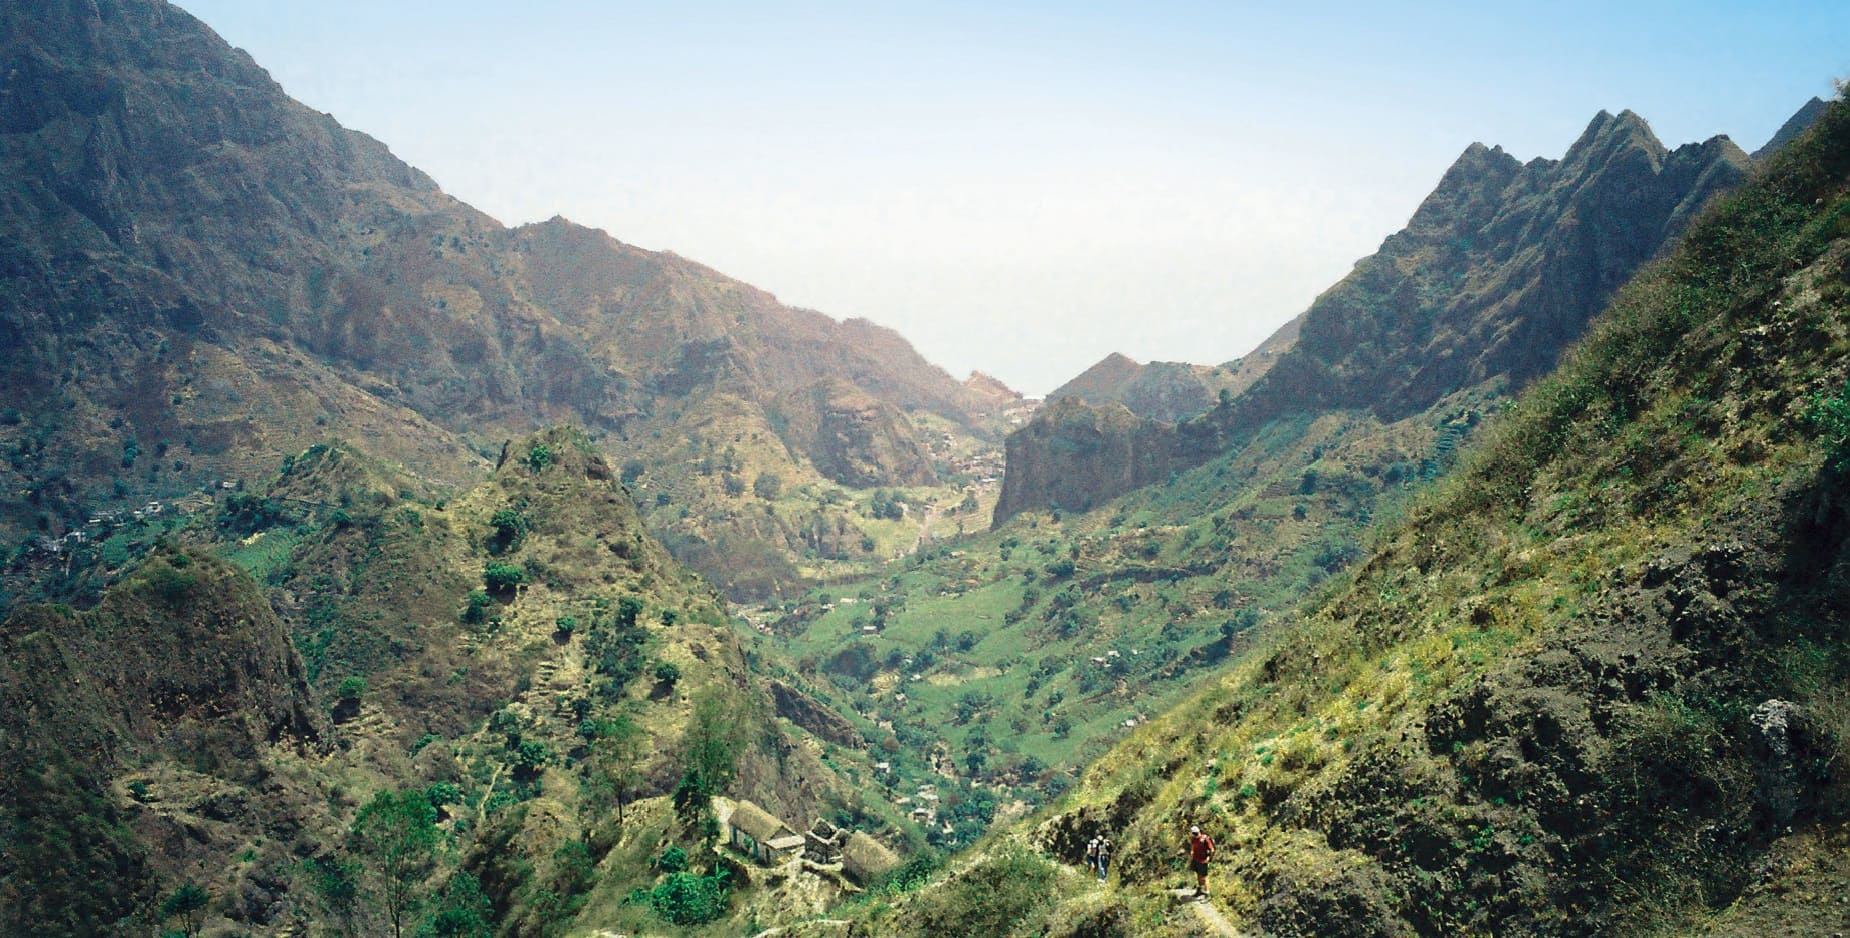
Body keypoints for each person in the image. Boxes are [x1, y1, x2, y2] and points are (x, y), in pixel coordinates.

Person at [1185, 824, 1214, 898]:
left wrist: (1209, 858)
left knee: (1205, 877)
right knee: (1198, 875)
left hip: (1203, 860)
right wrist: (1192, 854)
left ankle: (1208, 893)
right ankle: (1200, 890)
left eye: (1195, 833)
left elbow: (1212, 850)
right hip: (1196, 860)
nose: (1195, 835)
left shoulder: (1205, 839)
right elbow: (1192, 847)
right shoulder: (1193, 839)